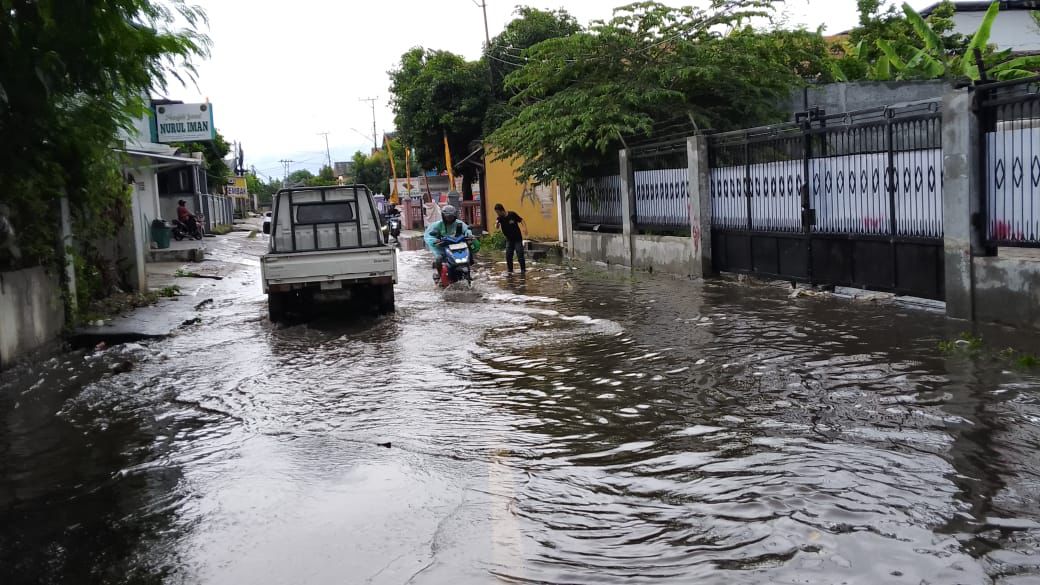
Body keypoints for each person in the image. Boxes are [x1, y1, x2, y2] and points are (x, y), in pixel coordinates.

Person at [424, 205, 472, 275]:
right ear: (443, 216)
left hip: (457, 245)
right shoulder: (437, 225)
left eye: (451, 216)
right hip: (441, 246)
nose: (450, 218)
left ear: (455, 216)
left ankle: (468, 272)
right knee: (439, 258)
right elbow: (428, 236)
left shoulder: (459, 223)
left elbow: (467, 230)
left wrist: (469, 235)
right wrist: (435, 240)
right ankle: (439, 275)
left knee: (468, 254)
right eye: (448, 216)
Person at [494, 203, 528, 274]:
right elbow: (496, 227)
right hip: (509, 239)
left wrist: (524, 228)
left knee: (520, 255)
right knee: (508, 256)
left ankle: (523, 270)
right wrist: (497, 224)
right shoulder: (499, 218)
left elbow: (521, 220)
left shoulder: (512, 214)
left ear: (501, 210)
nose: (497, 214)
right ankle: (510, 271)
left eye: (497, 212)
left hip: (517, 239)